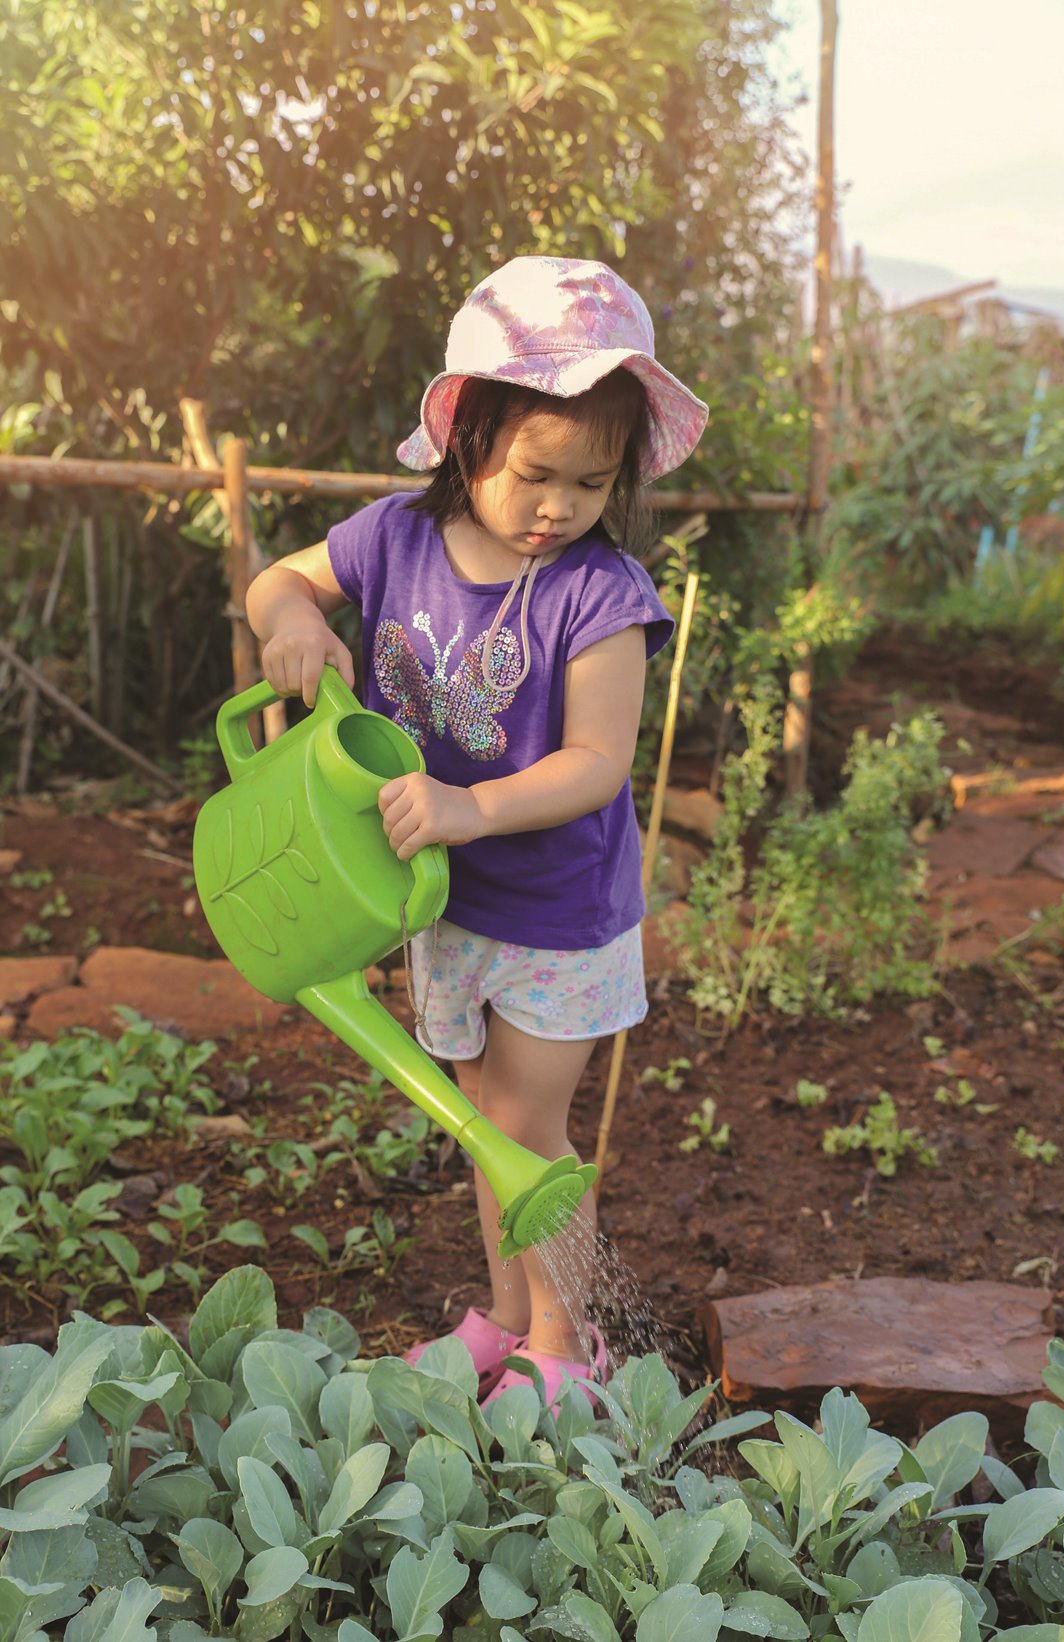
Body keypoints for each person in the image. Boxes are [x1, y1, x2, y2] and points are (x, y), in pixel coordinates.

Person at [245, 255, 707, 1408]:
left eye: (591, 485)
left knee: (524, 1125)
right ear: (468, 440)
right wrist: (291, 622)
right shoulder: (392, 539)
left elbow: (597, 766)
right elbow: (276, 582)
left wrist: (466, 807)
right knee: (474, 1118)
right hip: (439, 901)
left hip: (555, 914)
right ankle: (505, 1320)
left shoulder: (599, 595)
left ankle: (566, 1347)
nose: (558, 508)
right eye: (536, 475)